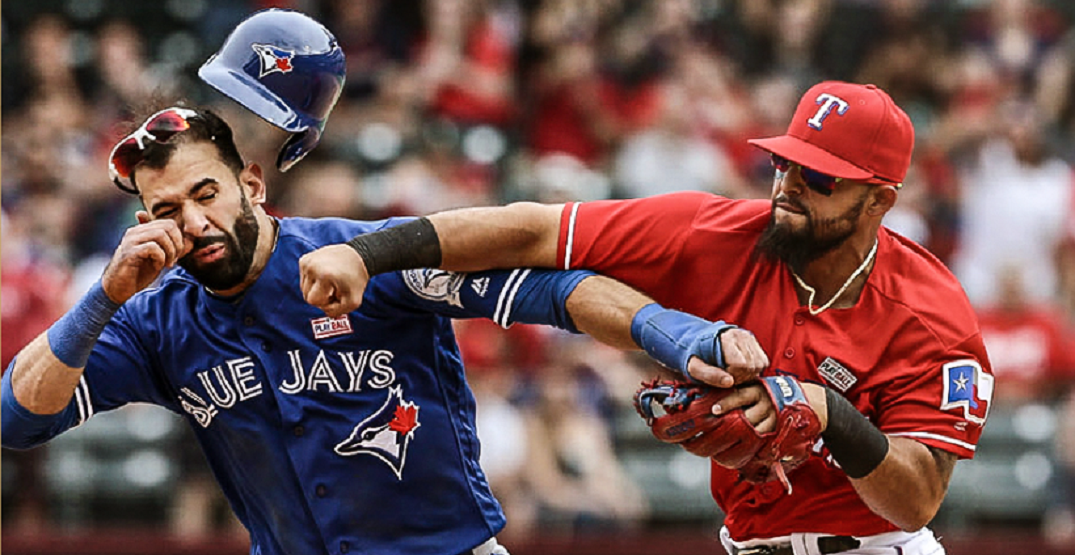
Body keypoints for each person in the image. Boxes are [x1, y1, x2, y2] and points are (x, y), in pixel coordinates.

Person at [299, 81, 994, 554]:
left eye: (817, 179)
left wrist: (828, 412)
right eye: (784, 164)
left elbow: (917, 500)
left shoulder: (929, 317)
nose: (786, 188)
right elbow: (532, 230)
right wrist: (367, 253)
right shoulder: (716, 231)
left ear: (878, 200)